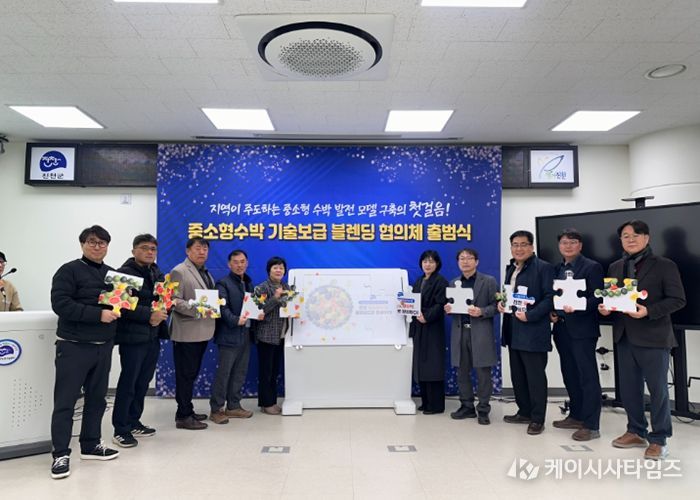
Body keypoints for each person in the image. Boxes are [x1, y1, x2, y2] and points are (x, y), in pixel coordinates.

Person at [599, 220, 686, 460]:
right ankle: (636, 430)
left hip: (654, 336)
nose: (631, 239)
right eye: (626, 236)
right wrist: (606, 308)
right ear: (621, 240)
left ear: (647, 238)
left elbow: (678, 299)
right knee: (629, 390)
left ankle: (659, 439)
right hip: (624, 336)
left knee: (658, 391)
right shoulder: (615, 267)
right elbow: (614, 299)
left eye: (636, 235)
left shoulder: (664, 265)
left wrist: (649, 311)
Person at [49, 225, 120, 480]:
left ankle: (91, 445)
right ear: (82, 244)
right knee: (65, 402)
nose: (97, 246)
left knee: (97, 400)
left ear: (107, 246)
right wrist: (98, 315)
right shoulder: (68, 270)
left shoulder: (114, 274)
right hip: (73, 345)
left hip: (103, 346)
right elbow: (61, 304)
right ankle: (60, 454)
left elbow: (119, 308)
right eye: (92, 242)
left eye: (102, 243)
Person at [111, 234, 169, 447]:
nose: (149, 252)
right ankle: (120, 428)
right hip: (132, 337)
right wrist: (149, 316)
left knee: (143, 382)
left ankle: (134, 421)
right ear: (133, 250)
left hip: (153, 335)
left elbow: (163, 300)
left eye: (153, 249)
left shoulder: (156, 272)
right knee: (129, 383)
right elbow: (119, 305)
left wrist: (163, 311)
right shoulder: (124, 273)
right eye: (144, 248)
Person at [549, 228, 604, 441]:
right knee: (570, 374)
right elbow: (554, 296)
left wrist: (578, 306)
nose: (568, 246)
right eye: (564, 242)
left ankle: (591, 425)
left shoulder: (592, 267)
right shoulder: (557, 268)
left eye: (573, 242)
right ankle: (576, 415)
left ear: (580, 245)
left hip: (583, 329)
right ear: (559, 246)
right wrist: (553, 312)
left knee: (587, 376)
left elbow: (598, 297)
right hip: (561, 328)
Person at [498, 230, 554, 435]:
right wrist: (502, 304)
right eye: (515, 245)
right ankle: (524, 412)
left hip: (533, 330)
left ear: (532, 247)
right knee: (518, 375)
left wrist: (530, 315)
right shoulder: (511, 268)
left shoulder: (544, 268)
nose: (519, 249)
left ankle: (537, 419)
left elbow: (550, 298)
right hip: (513, 328)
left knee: (535, 377)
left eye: (523, 244)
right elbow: (509, 295)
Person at [445, 248, 498, 425]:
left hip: (481, 332)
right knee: (462, 371)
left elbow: (497, 306)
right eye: (462, 258)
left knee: (483, 373)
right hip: (460, 332)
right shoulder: (453, 283)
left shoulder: (488, 281)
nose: (465, 261)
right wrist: (448, 309)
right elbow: (453, 306)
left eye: (469, 258)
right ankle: (466, 406)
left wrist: (481, 311)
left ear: (477, 261)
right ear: (458, 262)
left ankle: (483, 409)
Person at [209, 249, 262, 424]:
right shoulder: (223, 284)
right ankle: (216, 409)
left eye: (242, 262)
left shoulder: (249, 284)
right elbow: (221, 308)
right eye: (236, 262)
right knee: (224, 373)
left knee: (240, 372)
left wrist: (258, 314)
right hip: (229, 335)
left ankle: (233, 406)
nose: (239, 265)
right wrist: (235, 320)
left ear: (247, 263)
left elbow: (252, 307)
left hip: (245, 334)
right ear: (229, 264)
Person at [170, 237, 216, 430]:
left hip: (202, 331)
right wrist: (198, 308)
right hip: (186, 332)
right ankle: (183, 416)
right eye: (198, 248)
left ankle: (187, 409)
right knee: (185, 375)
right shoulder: (179, 271)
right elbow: (173, 300)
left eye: (205, 249)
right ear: (188, 251)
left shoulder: (206, 272)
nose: (202, 252)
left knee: (191, 374)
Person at [410, 250, 449, 415]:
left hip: (432, 327)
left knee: (432, 364)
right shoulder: (419, 281)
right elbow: (412, 301)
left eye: (431, 261)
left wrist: (426, 316)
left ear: (437, 264)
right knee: (421, 364)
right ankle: (425, 402)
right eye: (425, 261)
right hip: (418, 326)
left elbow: (441, 304)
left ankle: (436, 405)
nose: (428, 264)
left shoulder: (441, 281)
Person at [254, 256, 292, 415]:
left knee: (275, 371)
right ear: (269, 270)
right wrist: (275, 298)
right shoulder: (261, 288)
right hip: (266, 336)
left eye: (281, 268)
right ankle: (266, 403)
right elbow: (258, 311)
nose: (278, 270)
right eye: (275, 267)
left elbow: (292, 307)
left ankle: (271, 401)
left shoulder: (287, 287)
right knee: (266, 372)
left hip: (282, 336)